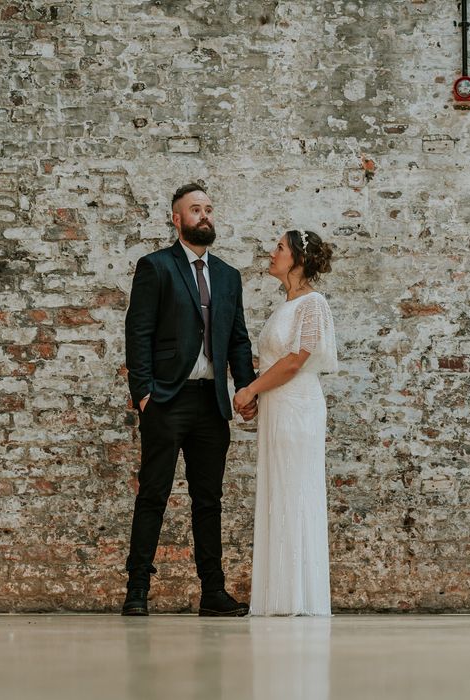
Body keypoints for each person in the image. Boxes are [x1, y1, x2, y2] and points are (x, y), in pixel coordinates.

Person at [122, 183, 258, 617]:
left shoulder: (228, 276)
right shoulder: (155, 267)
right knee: (153, 495)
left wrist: (245, 387)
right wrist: (143, 394)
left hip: (211, 404)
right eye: (195, 210)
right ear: (176, 219)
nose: (204, 216)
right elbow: (137, 333)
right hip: (166, 399)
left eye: (208, 209)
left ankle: (212, 593)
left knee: (208, 500)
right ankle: (137, 590)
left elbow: (238, 338)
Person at [233, 229, 337, 616]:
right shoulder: (285, 307)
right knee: (278, 492)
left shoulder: (314, 304)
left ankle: (300, 597)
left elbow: (295, 362)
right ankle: (279, 595)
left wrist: (249, 391)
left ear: (297, 259)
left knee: (297, 491)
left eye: (279, 247)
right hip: (276, 407)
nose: (271, 252)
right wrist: (258, 394)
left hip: (297, 408)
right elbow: (275, 362)